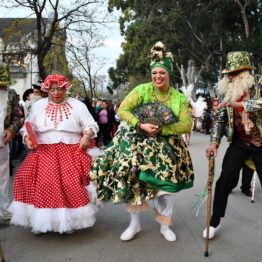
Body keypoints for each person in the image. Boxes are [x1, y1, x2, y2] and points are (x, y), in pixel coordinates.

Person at [90, 42, 194, 242]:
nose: (157, 77)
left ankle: (165, 225)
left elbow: (186, 124)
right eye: (154, 73)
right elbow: (123, 110)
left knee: (165, 188)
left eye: (162, 73)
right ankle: (134, 224)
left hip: (167, 146)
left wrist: (163, 128)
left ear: (168, 74)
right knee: (133, 182)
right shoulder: (142, 90)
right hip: (136, 141)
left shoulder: (178, 97)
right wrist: (141, 125)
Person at [8, 74, 100, 234]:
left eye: (60, 89)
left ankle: (67, 222)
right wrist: (27, 138)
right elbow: (27, 127)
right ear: (47, 90)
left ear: (66, 89)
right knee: (29, 179)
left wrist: (86, 135)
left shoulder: (77, 105)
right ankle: (40, 222)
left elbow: (91, 124)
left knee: (68, 185)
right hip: (43, 151)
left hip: (70, 150)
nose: (56, 93)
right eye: (52, 90)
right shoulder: (39, 106)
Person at [203, 51, 262, 239]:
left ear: (246, 72)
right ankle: (214, 222)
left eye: (234, 73)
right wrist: (213, 143)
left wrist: (240, 104)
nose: (230, 77)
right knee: (224, 181)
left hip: (261, 144)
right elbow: (220, 121)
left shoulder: (259, 85)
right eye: (229, 74)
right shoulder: (228, 93)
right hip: (239, 143)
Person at [0, 62, 20, 221]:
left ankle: (4, 210)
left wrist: (11, 130)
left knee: (3, 178)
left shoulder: (11, 94)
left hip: (2, 140)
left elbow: (15, 116)